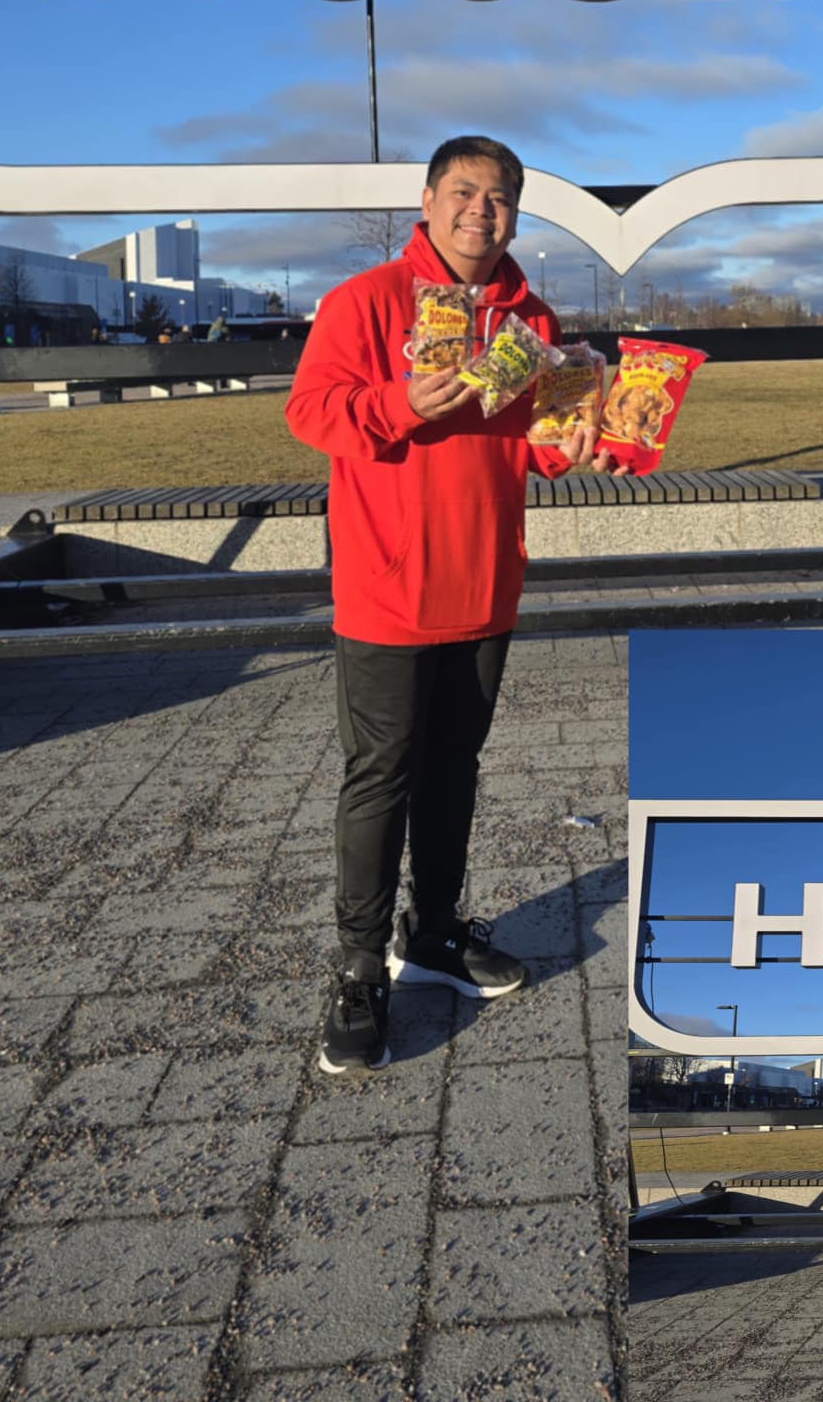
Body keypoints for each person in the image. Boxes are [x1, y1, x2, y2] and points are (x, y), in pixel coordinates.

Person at [285, 135, 627, 1076]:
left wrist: (585, 443)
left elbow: (538, 444)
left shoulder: (533, 319)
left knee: (454, 769)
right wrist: (401, 404)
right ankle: (360, 967)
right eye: (466, 191)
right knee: (380, 775)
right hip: (387, 584)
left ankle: (432, 932)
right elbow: (310, 412)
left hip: (485, 581)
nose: (483, 209)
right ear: (429, 201)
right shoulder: (367, 302)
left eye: (501, 196)